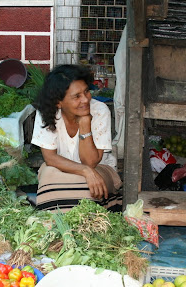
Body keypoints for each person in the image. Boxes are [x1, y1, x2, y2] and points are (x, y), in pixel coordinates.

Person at [31, 64, 122, 212]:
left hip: (100, 169)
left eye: (86, 91)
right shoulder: (46, 113)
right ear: (58, 102)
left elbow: (91, 162)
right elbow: (50, 159)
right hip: (61, 168)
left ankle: (62, 203)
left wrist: (85, 123)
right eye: (76, 96)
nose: (85, 100)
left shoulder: (100, 111)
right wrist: (85, 171)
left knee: (87, 188)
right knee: (47, 175)